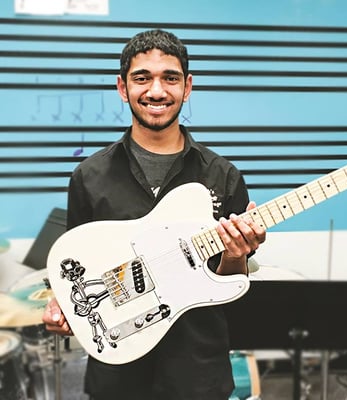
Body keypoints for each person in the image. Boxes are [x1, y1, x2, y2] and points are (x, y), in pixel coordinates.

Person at [42, 29, 266, 400]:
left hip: (196, 374)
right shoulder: (89, 176)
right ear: (122, 87)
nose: (157, 91)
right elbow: (75, 267)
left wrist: (235, 254)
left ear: (188, 86)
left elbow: (230, 286)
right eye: (142, 78)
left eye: (170, 78)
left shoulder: (223, 175)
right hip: (118, 375)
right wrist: (65, 311)